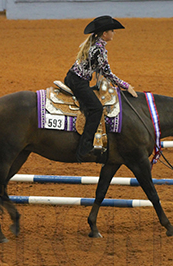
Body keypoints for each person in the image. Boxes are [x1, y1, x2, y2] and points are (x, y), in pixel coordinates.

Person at [64, 15, 138, 162]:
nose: (114, 33)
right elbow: (107, 73)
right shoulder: (99, 50)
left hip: (74, 78)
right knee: (96, 109)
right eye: (112, 30)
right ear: (105, 34)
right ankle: (84, 148)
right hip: (78, 82)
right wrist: (126, 86)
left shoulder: (95, 45)